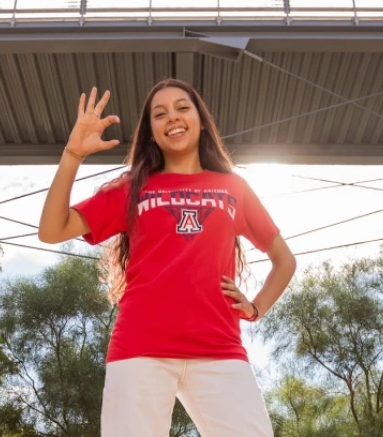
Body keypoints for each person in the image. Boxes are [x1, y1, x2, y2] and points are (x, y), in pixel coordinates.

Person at [39, 78, 297, 436]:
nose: (172, 117)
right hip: (140, 347)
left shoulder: (233, 187)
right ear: (151, 132)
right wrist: (72, 155)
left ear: (201, 120)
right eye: (159, 114)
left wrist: (255, 308)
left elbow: (284, 260)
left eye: (182, 108)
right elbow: (52, 230)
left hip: (219, 346)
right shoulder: (132, 187)